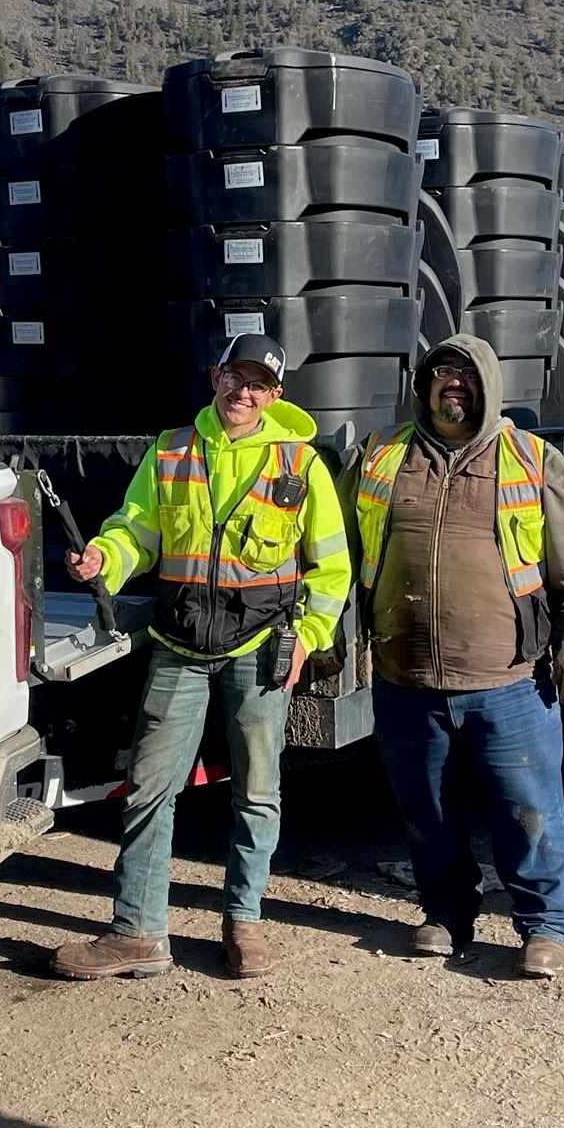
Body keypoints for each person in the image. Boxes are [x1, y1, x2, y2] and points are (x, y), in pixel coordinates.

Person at [49, 336, 351, 981]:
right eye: (235, 377)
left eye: (258, 384)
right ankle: (139, 933)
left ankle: (245, 922)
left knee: (257, 793)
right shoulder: (171, 451)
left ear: (275, 395)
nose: (244, 392)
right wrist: (106, 557)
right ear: (216, 377)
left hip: (261, 647)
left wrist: (309, 637)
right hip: (178, 645)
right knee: (149, 790)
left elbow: (332, 567)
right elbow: (137, 530)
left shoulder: (300, 463)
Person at [354, 334, 564, 978]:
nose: (454, 383)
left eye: (467, 374)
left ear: (488, 386)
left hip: (510, 679)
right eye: (443, 372)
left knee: (528, 811)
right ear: (425, 384)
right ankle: (446, 913)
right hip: (405, 677)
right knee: (428, 812)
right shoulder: (382, 455)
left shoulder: (532, 460)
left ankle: (544, 924)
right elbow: (340, 550)